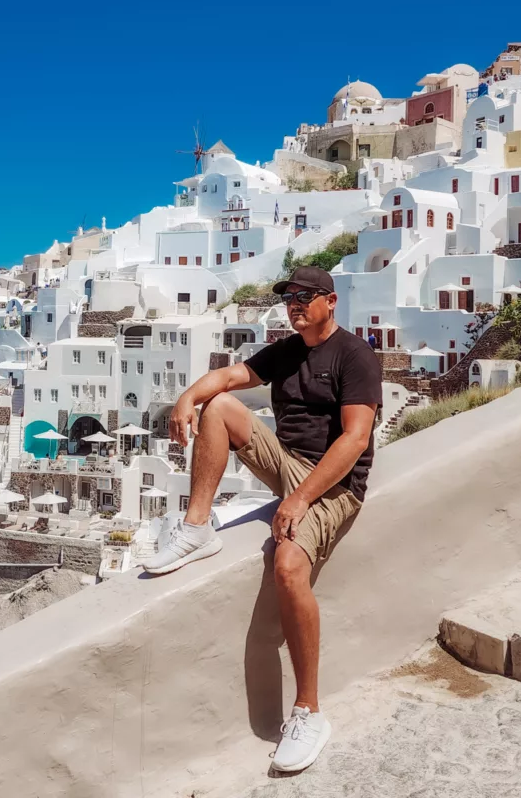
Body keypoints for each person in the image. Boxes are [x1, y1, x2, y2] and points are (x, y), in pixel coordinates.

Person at [142, 266, 382, 773]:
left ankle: (308, 711)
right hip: (288, 464)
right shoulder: (287, 349)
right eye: (289, 297)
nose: (294, 304)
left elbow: (355, 439)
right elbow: (228, 378)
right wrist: (187, 398)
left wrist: (298, 501)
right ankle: (197, 529)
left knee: (289, 566)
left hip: (333, 485)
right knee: (219, 407)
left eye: (304, 296)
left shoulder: (354, 355)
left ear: (331, 301)